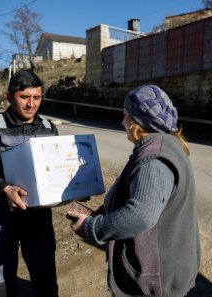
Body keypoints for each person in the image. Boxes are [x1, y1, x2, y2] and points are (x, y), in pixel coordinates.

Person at [68, 85, 201, 297]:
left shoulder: (154, 160)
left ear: (138, 122)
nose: (122, 122)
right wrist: (105, 211)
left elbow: (140, 215)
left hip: (157, 279)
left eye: (126, 116)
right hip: (166, 266)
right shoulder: (166, 144)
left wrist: (93, 228)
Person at [0, 70, 59, 297]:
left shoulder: (49, 127)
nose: (31, 104)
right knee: (1, 285)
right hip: (0, 218)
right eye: (24, 97)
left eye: (36, 97)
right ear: (8, 97)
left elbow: (56, 167)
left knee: (45, 280)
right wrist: (4, 189)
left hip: (38, 219)